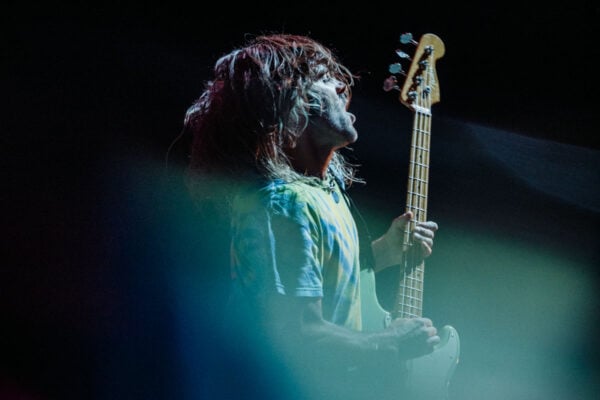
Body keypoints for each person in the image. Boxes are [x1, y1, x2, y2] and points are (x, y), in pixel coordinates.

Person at [183, 33, 440, 400]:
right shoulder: (282, 202)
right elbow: (296, 334)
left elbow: (320, 281)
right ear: (289, 101)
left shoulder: (323, 193)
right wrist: (388, 342)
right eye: (323, 77)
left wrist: (383, 251)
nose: (342, 86)